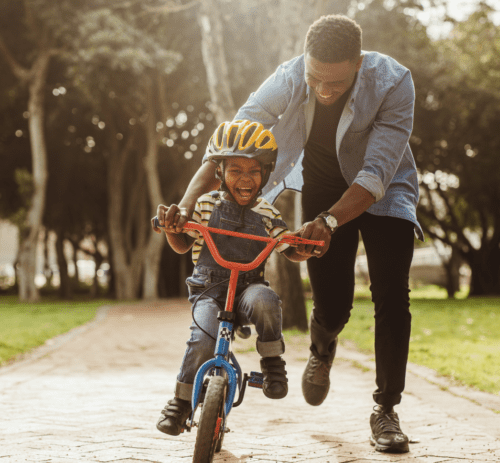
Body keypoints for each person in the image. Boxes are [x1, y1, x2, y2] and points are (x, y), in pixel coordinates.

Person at [165, 15, 423, 453]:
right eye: (315, 78)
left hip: (384, 190)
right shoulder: (289, 76)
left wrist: (329, 223)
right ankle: (323, 346)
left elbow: (376, 172)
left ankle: (386, 409)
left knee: (392, 293)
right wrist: (187, 203)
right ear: (304, 61)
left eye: (335, 83)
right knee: (334, 303)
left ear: (358, 63)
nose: (323, 90)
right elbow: (234, 138)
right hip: (323, 186)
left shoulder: (394, 82)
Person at [153, 120, 314, 436]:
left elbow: (288, 247)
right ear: (220, 173)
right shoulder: (204, 205)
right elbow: (183, 243)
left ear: (265, 174)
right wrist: (173, 229)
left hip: (248, 289)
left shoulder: (267, 213)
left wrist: (304, 247)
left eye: (254, 171)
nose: (245, 178)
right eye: (236, 170)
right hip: (209, 290)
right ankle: (181, 402)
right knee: (203, 337)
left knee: (266, 300)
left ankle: (271, 364)